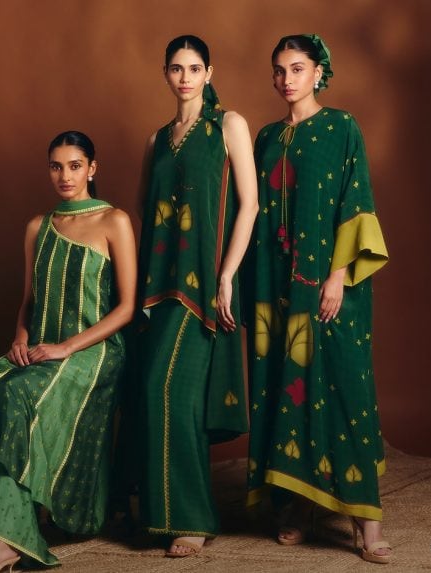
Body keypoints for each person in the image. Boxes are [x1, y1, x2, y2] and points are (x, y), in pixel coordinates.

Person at [0, 131, 136, 572]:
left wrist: (66, 347)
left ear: (92, 168)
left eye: (75, 166)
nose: (65, 176)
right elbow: (29, 302)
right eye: (56, 166)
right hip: (40, 345)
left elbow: (127, 307)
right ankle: (5, 525)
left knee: (16, 393)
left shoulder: (114, 221)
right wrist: (19, 339)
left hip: (94, 351)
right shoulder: (38, 226)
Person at [246, 34, 392, 564]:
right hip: (275, 285)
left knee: (344, 387)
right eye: (279, 70)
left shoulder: (341, 127)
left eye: (297, 68)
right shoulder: (266, 137)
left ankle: (367, 521)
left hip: (328, 282)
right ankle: (298, 503)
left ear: (318, 73)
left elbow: (356, 199)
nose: (286, 79)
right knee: (287, 387)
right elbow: (252, 212)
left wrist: (337, 276)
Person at [136, 34, 259, 558]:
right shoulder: (157, 139)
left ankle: (192, 520)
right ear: (165, 73)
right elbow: (145, 211)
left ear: (209, 73)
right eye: (175, 68)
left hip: (205, 287)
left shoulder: (228, 125)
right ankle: (158, 513)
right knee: (152, 392)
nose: (184, 77)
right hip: (157, 288)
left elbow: (249, 205)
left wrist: (227, 275)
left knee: (172, 389)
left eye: (194, 68)